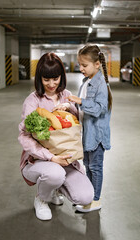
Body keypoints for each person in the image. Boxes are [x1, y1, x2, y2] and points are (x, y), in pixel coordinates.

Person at [18, 52, 94, 221]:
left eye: (56, 78)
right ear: (39, 78)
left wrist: (72, 109)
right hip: (38, 162)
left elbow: (78, 124)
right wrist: (51, 157)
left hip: (66, 159)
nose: (52, 84)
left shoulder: (66, 94)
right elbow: (24, 137)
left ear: (61, 76)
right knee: (55, 174)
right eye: (46, 79)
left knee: (85, 197)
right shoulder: (33, 101)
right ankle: (41, 199)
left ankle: (55, 189)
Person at [68, 45, 112, 212]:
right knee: (87, 164)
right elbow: (83, 109)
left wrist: (79, 101)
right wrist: (70, 105)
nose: (81, 69)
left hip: (97, 135)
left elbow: (99, 108)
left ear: (97, 64)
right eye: (80, 65)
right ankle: (88, 196)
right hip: (88, 134)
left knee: (95, 167)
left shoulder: (101, 84)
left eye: (84, 65)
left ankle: (95, 200)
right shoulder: (87, 82)